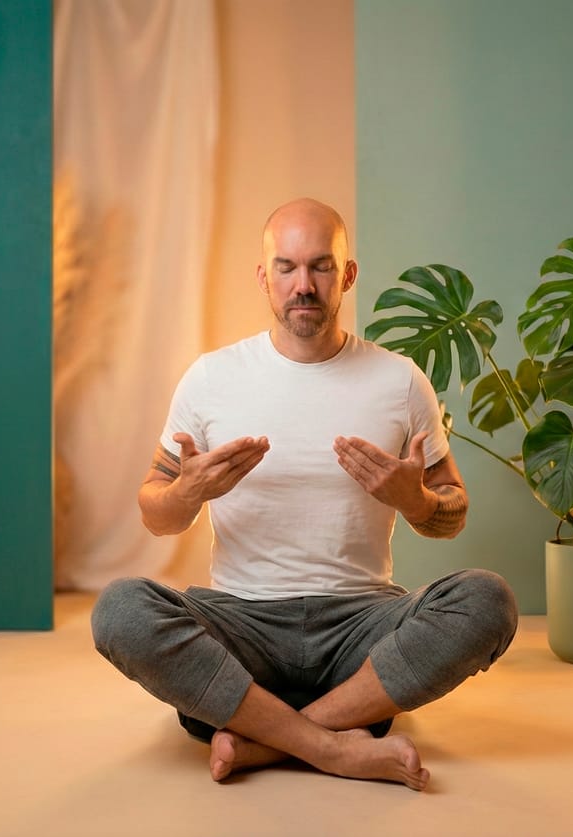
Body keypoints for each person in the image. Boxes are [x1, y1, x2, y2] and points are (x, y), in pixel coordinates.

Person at [90, 198, 518, 791]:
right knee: (119, 610)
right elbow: (155, 513)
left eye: (321, 266)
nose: (304, 285)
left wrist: (416, 500)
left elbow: (453, 511)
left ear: (348, 274)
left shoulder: (399, 380)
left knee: (488, 601)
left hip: (360, 627)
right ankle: (334, 743)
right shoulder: (210, 378)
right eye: (286, 267)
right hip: (240, 624)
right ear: (263, 276)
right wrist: (187, 493)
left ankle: (260, 738)